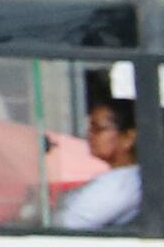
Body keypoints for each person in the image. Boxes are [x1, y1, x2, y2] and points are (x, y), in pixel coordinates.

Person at [53, 94, 142, 232]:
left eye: (98, 129)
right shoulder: (121, 178)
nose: (89, 134)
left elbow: (66, 224)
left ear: (128, 138)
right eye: (90, 128)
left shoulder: (120, 184)